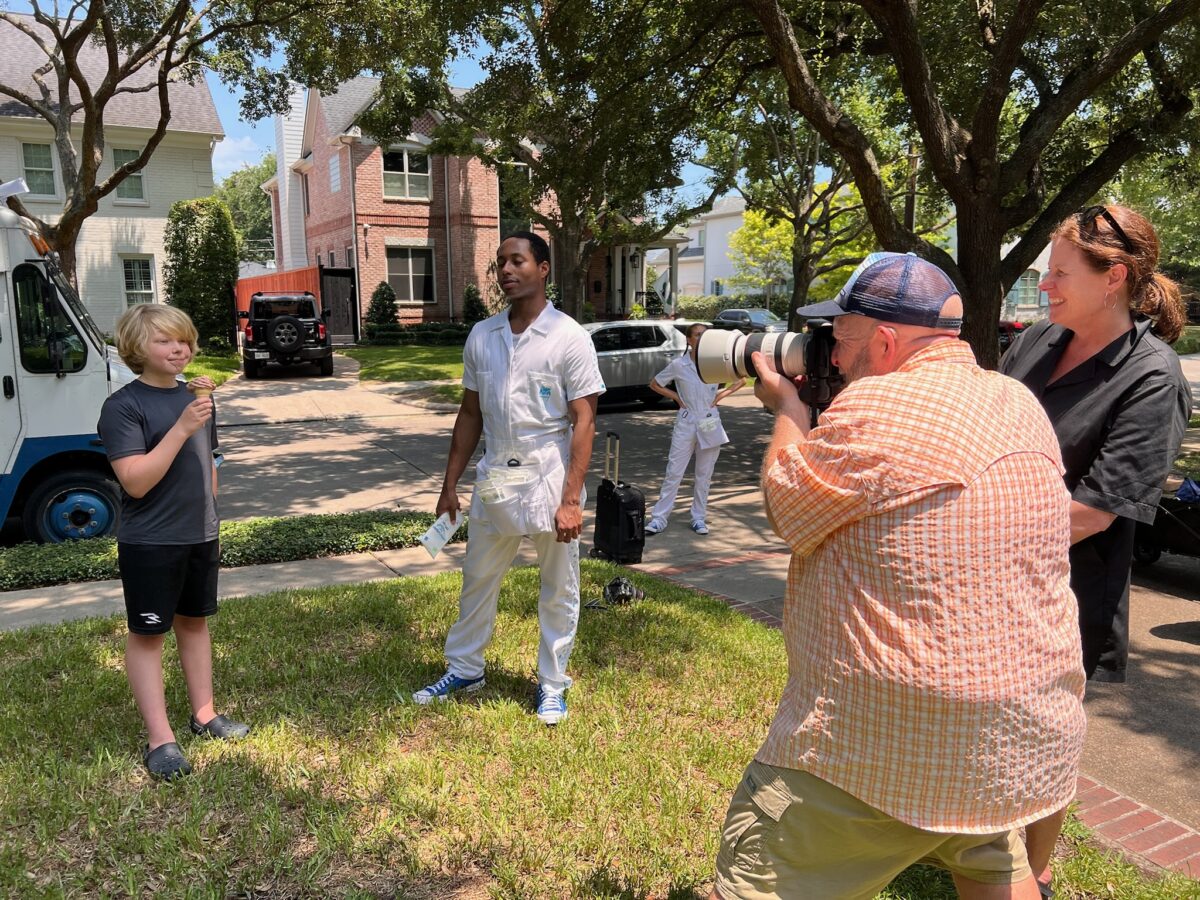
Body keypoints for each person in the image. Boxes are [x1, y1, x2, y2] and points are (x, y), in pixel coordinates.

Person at [712, 253, 1086, 900]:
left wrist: (788, 413)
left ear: (885, 341)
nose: (829, 356)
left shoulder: (879, 406)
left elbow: (787, 505)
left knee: (750, 883)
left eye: (844, 339)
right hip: (1015, 731)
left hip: (888, 732)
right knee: (987, 852)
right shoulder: (1016, 399)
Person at [1000, 205, 1192, 896]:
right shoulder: (1035, 344)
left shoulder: (1151, 376)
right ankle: (984, 855)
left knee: (1044, 742)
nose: (1044, 286)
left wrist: (978, 527)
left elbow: (1095, 511)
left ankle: (1034, 876)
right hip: (988, 583)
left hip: (1064, 593)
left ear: (1113, 278)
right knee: (989, 727)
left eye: (1057, 273)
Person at [412, 231, 605, 725]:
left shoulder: (569, 337)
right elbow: (470, 413)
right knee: (477, 577)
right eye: (500, 263)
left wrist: (571, 500)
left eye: (517, 261)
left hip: (549, 468)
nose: (506, 271)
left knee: (558, 585)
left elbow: (584, 421)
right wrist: (448, 484)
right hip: (496, 469)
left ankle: (553, 684)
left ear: (544, 269)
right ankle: (465, 669)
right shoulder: (483, 335)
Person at [98, 305, 249, 781]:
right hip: (151, 541)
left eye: (184, 340)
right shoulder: (123, 406)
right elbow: (135, 482)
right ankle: (160, 738)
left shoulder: (197, 397)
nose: (179, 349)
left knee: (195, 624)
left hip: (200, 532)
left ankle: (204, 714)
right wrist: (183, 427)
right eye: (165, 341)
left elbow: (211, 459)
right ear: (136, 349)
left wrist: (211, 509)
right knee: (148, 635)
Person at [644, 323, 745, 536]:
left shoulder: (715, 364)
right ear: (689, 340)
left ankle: (698, 517)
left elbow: (742, 379)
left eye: (704, 335)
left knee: (704, 474)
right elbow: (655, 383)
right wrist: (676, 398)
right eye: (697, 335)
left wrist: (720, 395)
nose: (701, 339)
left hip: (709, 420)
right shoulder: (679, 365)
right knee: (674, 471)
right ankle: (659, 518)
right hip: (687, 420)